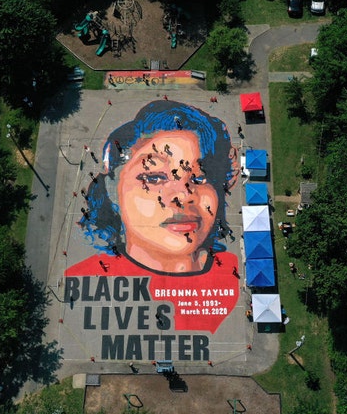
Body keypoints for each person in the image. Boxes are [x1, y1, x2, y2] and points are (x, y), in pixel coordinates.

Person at [66, 100, 241, 333]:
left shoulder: (237, 276)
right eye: (155, 177)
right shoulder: (81, 279)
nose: (184, 195)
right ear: (112, 189)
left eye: (200, 179)